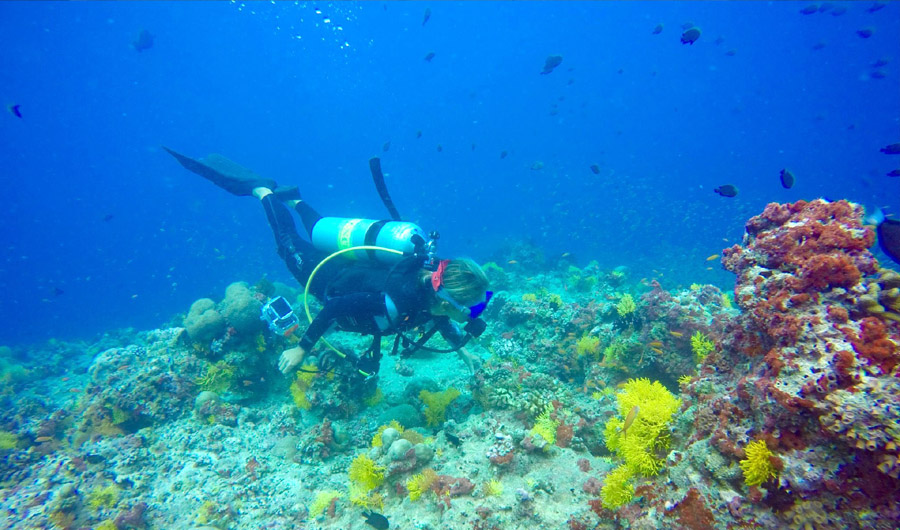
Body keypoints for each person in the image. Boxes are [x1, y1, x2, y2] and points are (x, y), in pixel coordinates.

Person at [164, 148, 490, 379]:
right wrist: (301, 350)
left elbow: (437, 317)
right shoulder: (398, 297)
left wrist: (464, 352)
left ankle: (294, 199)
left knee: (320, 233)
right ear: (445, 296)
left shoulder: (428, 290)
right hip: (326, 279)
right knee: (288, 244)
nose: (470, 314)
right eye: (469, 307)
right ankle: (263, 192)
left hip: (349, 266)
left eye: (475, 308)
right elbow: (334, 309)